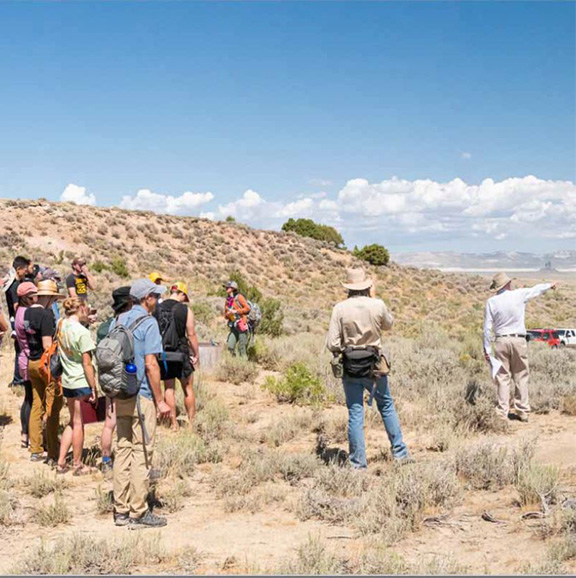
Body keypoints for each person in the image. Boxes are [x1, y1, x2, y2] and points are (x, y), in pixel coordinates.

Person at [326, 268, 409, 469]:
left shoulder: (340, 308)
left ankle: (358, 463)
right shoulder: (377, 304)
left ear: (349, 287)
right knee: (386, 406)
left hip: (351, 365)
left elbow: (332, 343)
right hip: (374, 365)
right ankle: (400, 453)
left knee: (355, 412)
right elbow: (389, 325)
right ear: (367, 286)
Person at [111, 278, 171, 528]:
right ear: (146, 298)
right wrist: (160, 400)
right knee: (143, 452)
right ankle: (138, 512)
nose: (157, 301)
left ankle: (120, 510)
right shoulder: (148, 323)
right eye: (154, 297)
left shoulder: (119, 320)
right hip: (142, 395)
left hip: (120, 393)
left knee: (123, 448)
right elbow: (150, 364)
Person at [483, 272, 558, 423]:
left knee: (502, 378)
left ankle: (502, 414)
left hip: (500, 341)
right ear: (508, 284)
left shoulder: (491, 302)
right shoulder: (519, 294)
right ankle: (522, 411)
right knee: (521, 376)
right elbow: (536, 290)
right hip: (518, 340)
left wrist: (487, 349)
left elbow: (486, 328)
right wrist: (549, 285)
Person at [56, 297, 98, 475]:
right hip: (81, 380)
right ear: (81, 308)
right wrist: (94, 386)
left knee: (72, 422)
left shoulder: (61, 324)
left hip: (67, 379)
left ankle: (60, 462)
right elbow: (87, 363)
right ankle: (77, 463)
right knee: (80, 424)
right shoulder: (82, 332)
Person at [25, 280, 64, 465]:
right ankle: (53, 453)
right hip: (45, 365)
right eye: (54, 298)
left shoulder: (28, 311)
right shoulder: (46, 314)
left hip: (32, 362)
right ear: (48, 297)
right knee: (53, 408)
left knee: (36, 405)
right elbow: (47, 345)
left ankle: (35, 449)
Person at [96, 286, 133, 473]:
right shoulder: (130, 325)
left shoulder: (106, 326)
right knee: (130, 421)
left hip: (107, 377)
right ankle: (128, 461)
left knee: (109, 422)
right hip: (126, 378)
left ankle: (105, 459)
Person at [155, 282, 199, 430]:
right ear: (182, 294)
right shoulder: (185, 310)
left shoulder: (157, 308)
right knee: (187, 388)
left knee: (169, 388)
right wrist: (196, 353)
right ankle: (192, 423)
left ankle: (173, 424)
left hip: (164, 354)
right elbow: (191, 334)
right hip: (181, 352)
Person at [13, 282, 38, 451]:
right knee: (33, 399)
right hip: (30, 359)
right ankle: (32, 435)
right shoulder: (27, 314)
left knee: (27, 398)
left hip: (23, 358)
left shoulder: (19, 312)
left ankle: (24, 435)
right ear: (27, 298)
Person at [3, 256, 34, 387]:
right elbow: (16, 306)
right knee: (21, 349)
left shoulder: (12, 283)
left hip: (15, 320)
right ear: (19, 269)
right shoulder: (15, 285)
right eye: (25, 270)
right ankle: (18, 379)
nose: (26, 272)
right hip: (17, 320)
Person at [223, 281, 250, 358]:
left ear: (233, 288)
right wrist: (228, 314)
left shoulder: (239, 297)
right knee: (230, 346)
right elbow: (225, 315)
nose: (226, 289)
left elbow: (248, 308)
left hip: (242, 325)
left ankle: (244, 366)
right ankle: (235, 363)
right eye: (226, 287)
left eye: (228, 287)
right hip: (234, 326)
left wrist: (236, 311)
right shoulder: (228, 299)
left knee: (242, 348)